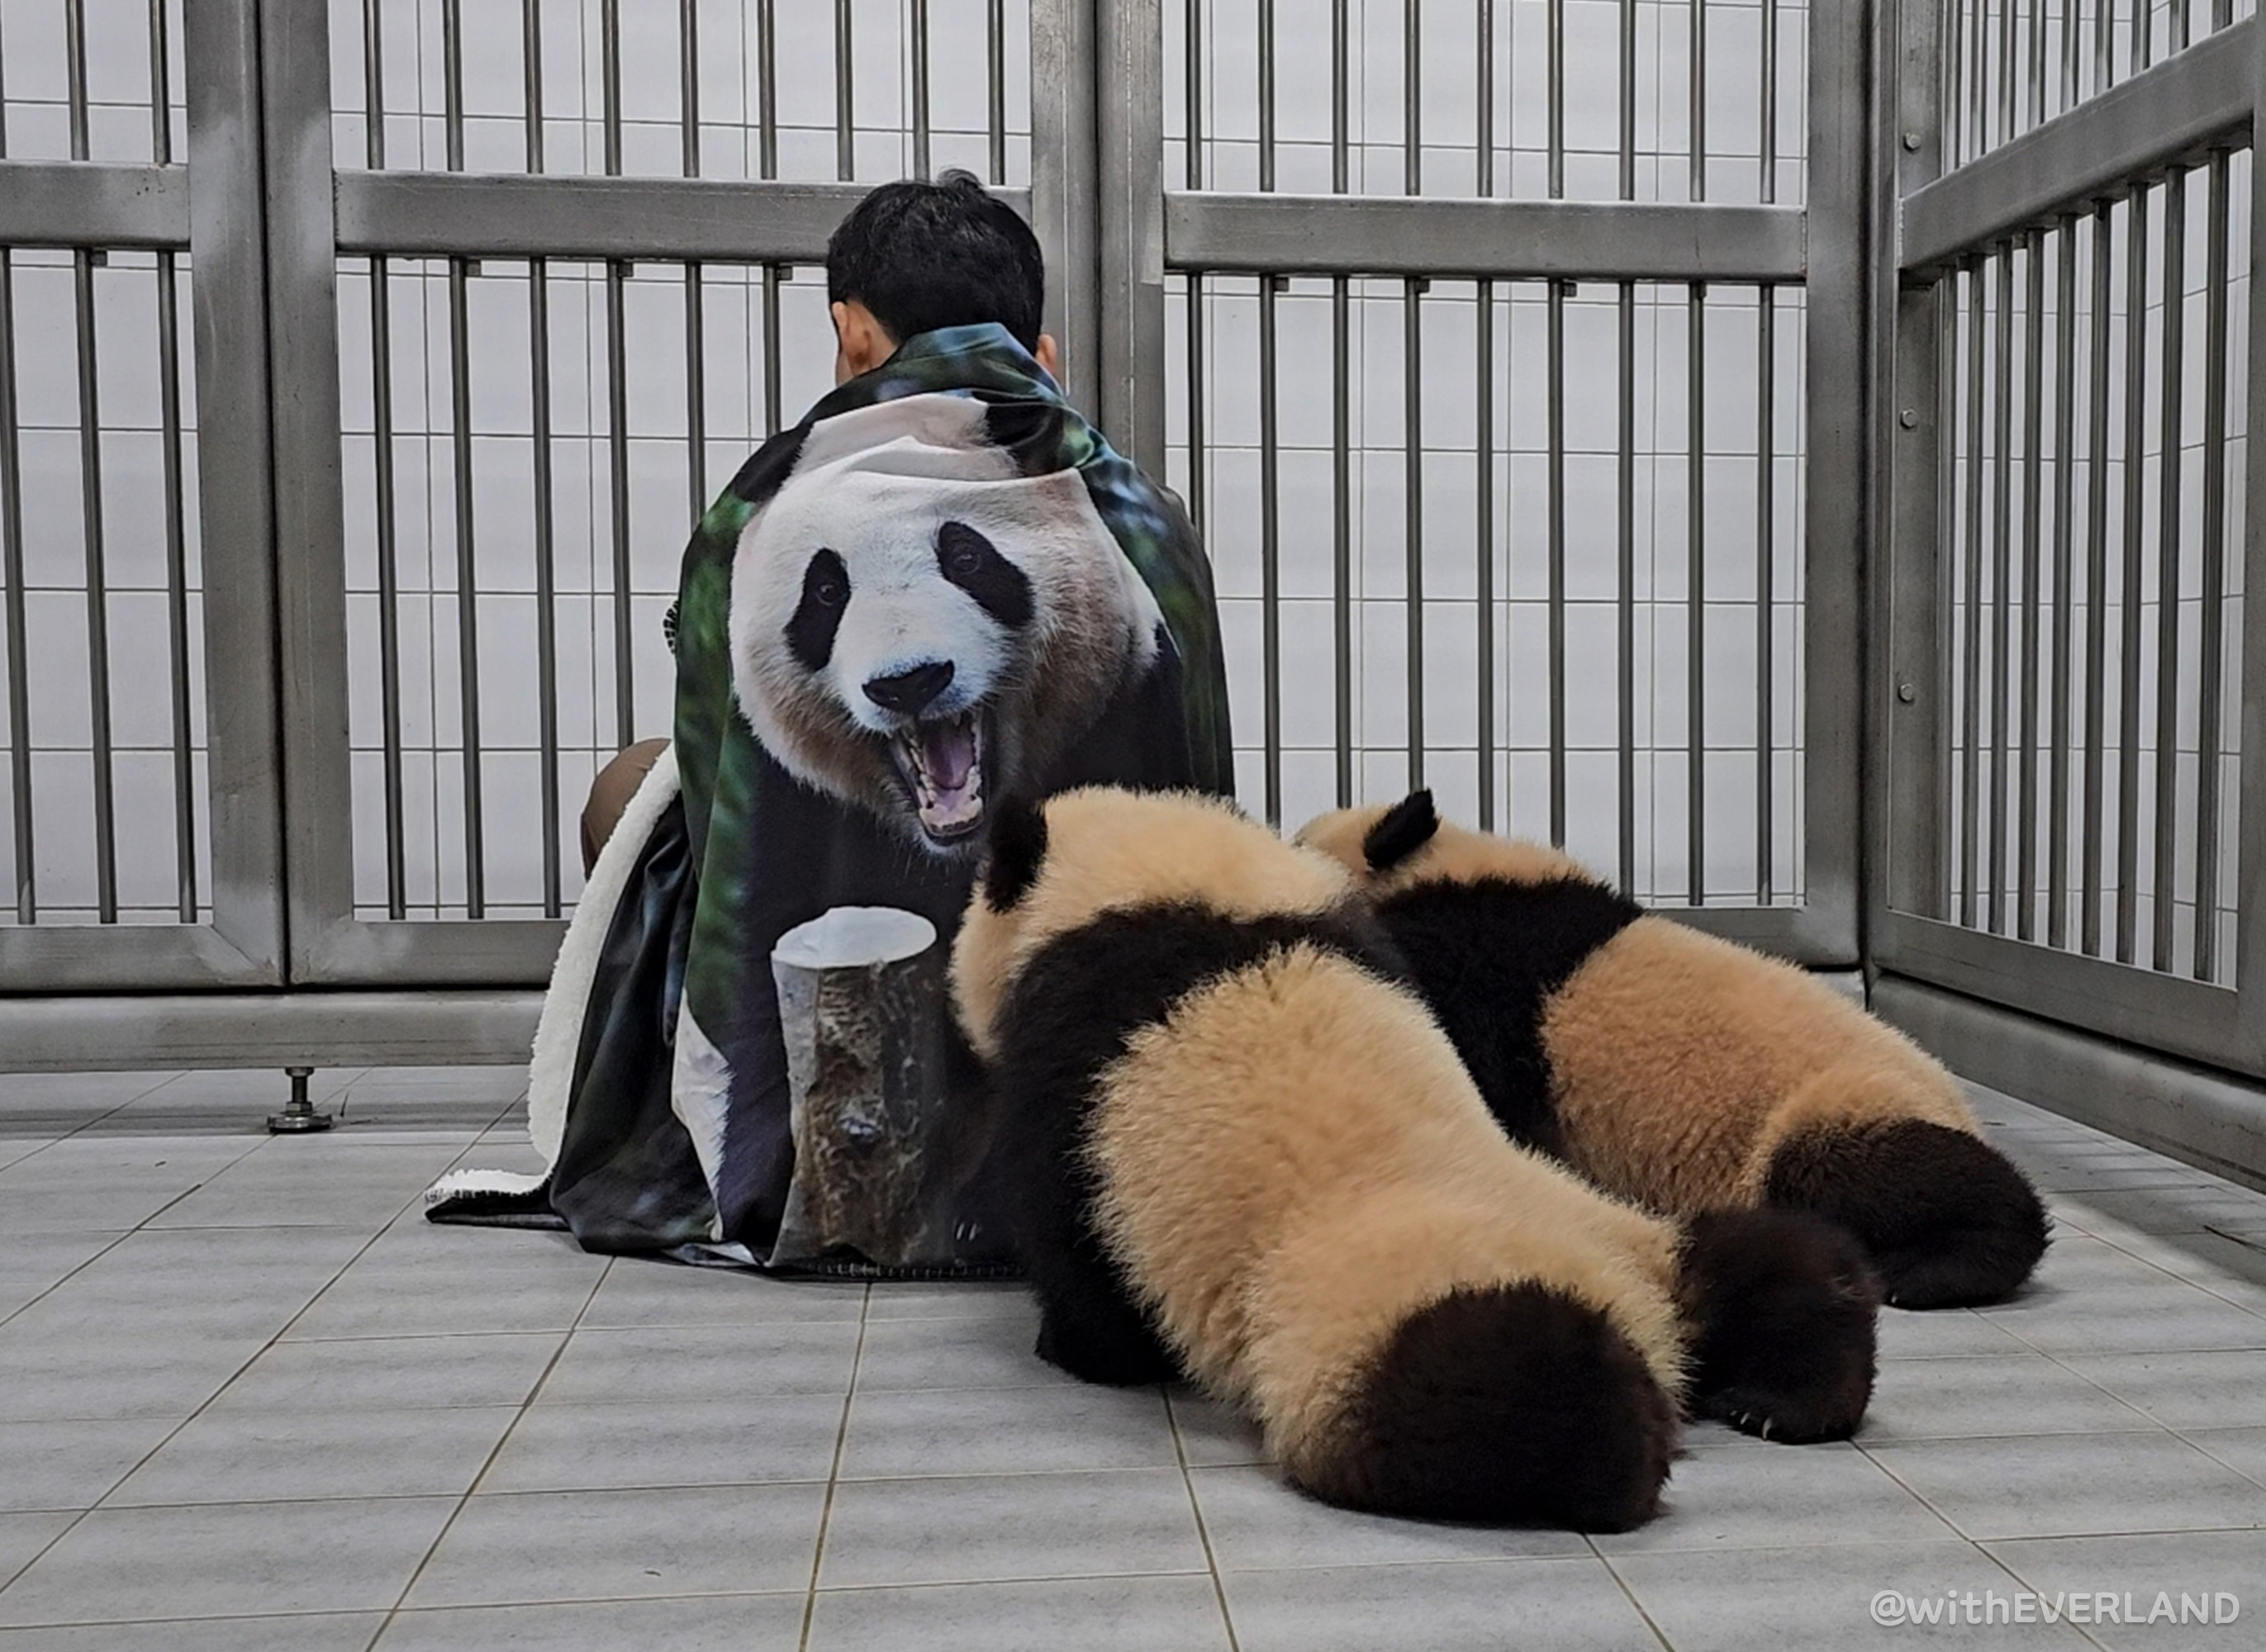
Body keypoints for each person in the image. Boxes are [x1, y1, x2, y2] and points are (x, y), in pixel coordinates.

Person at [578, 170, 1064, 871]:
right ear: (1042, 362)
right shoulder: (1135, 507)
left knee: (627, 785)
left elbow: (715, 785)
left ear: (853, 335)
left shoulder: (761, 507)